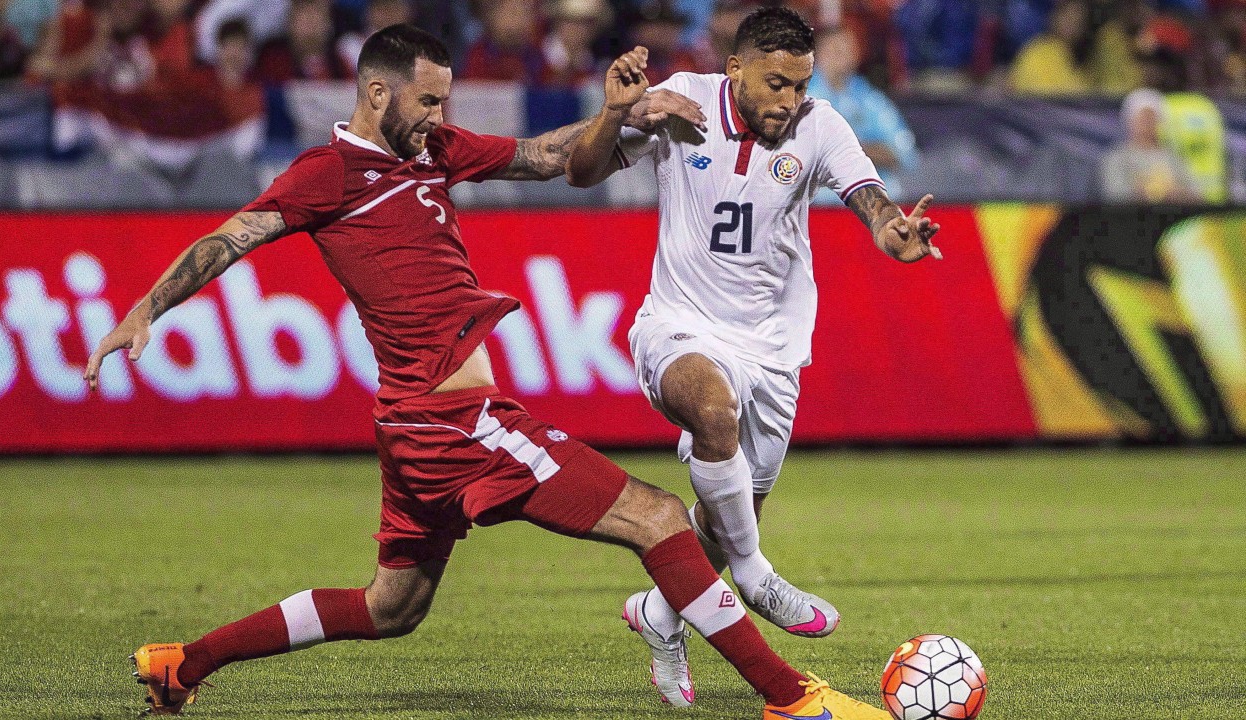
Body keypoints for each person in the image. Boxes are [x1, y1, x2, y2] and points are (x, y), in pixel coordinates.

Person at [83, 24, 883, 720]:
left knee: (390, 607)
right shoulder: (327, 174)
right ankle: (790, 698)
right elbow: (235, 235)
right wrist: (148, 308)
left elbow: (542, 157)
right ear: (374, 94)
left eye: (445, 104)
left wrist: (620, 112)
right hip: (458, 421)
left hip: (408, 424)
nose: (440, 120)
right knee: (661, 519)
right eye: (427, 103)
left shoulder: (428, 151)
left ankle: (181, 664)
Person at [566, 6, 940, 709]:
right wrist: (616, 113)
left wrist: (896, 231)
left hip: (772, 348)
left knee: (715, 520)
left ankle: (660, 611)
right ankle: (757, 573)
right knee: (712, 410)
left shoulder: (819, 124)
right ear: (734, 69)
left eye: (799, 86)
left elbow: (869, 198)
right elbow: (583, 171)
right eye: (776, 84)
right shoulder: (683, 103)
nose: (789, 101)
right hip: (678, 324)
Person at [809, 26, 919, 202]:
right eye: (836, 50)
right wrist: (868, 151)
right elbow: (807, 154)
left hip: (875, 204)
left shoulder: (870, 98)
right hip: (820, 206)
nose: (845, 56)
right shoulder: (801, 98)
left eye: (849, 49)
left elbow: (905, 154)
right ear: (817, 55)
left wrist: (845, 150)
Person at [1100, 88, 1204, 203]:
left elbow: (1197, 195)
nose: (1146, 123)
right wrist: (1143, 191)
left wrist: (1174, 193)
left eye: (1151, 117)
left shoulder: (1173, 158)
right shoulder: (1117, 158)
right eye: (1142, 118)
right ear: (1130, 121)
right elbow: (1115, 195)